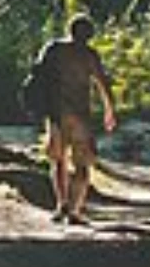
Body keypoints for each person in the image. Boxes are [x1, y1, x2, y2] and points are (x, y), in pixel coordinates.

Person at [34, 16, 117, 223]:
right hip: (81, 116)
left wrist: (39, 106)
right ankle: (74, 210)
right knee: (82, 165)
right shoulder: (89, 55)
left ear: (69, 30)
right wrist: (109, 110)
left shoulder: (53, 49)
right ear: (89, 35)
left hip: (56, 114)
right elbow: (102, 83)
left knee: (58, 160)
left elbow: (37, 74)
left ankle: (61, 204)